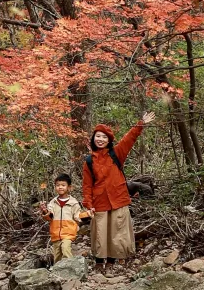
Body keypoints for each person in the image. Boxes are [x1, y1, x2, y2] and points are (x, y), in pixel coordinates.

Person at [81, 113, 155, 271]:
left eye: (104, 137)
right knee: (100, 233)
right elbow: (87, 185)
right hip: (99, 202)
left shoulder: (116, 154)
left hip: (118, 199)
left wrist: (141, 123)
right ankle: (99, 262)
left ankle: (111, 263)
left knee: (117, 233)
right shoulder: (89, 161)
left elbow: (129, 139)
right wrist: (88, 204)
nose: (100, 139)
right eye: (98, 136)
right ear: (93, 138)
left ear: (109, 141)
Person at [41, 172, 87, 261]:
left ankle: (70, 266)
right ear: (55, 187)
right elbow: (50, 217)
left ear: (69, 187)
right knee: (57, 255)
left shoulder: (73, 202)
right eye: (58, 185)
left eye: (63, 185)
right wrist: (45, 211)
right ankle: (57, 269)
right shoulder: (53, 202)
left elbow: (78, 216)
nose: (60, 187)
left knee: (66, 249)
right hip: (56, 234)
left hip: (68, 233)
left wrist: (88, 214)